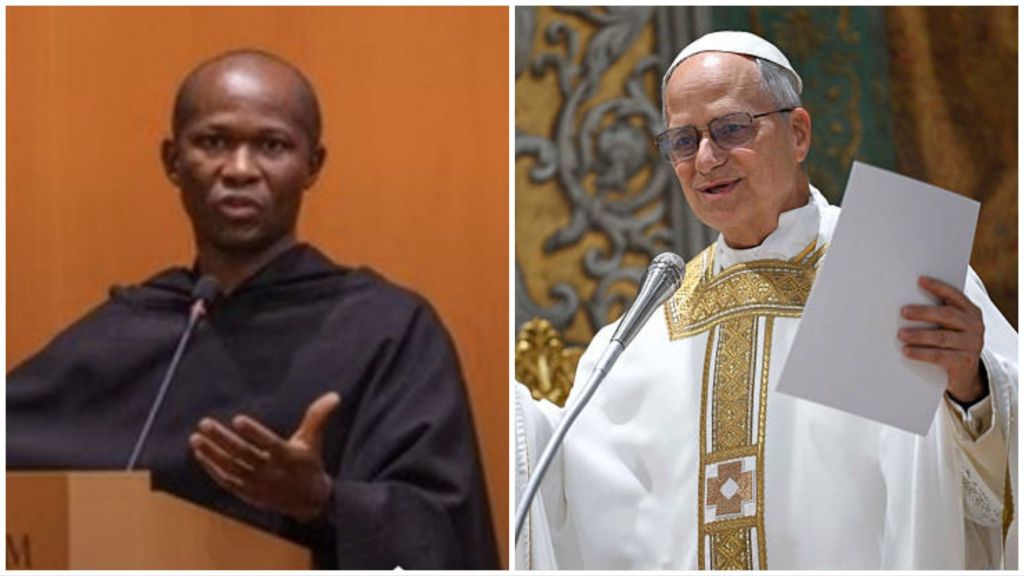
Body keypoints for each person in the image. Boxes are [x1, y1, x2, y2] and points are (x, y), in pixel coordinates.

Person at [515, 31, 1017, 570]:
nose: (705, 159)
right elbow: (565, 490)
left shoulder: (894, 271)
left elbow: (994, 475)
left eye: (730, 129)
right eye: (682, 141)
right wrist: (513, 415)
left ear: (798, 133)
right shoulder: (652, 327)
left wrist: (972, 385)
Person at [7, 49, 499, 570]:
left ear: (312, 165)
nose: (240, 169)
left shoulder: (387, 329)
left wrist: (322, 501)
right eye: (214, 142)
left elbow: (443, 531)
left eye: (272, 145)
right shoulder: (129, 332)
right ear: (173, 161)